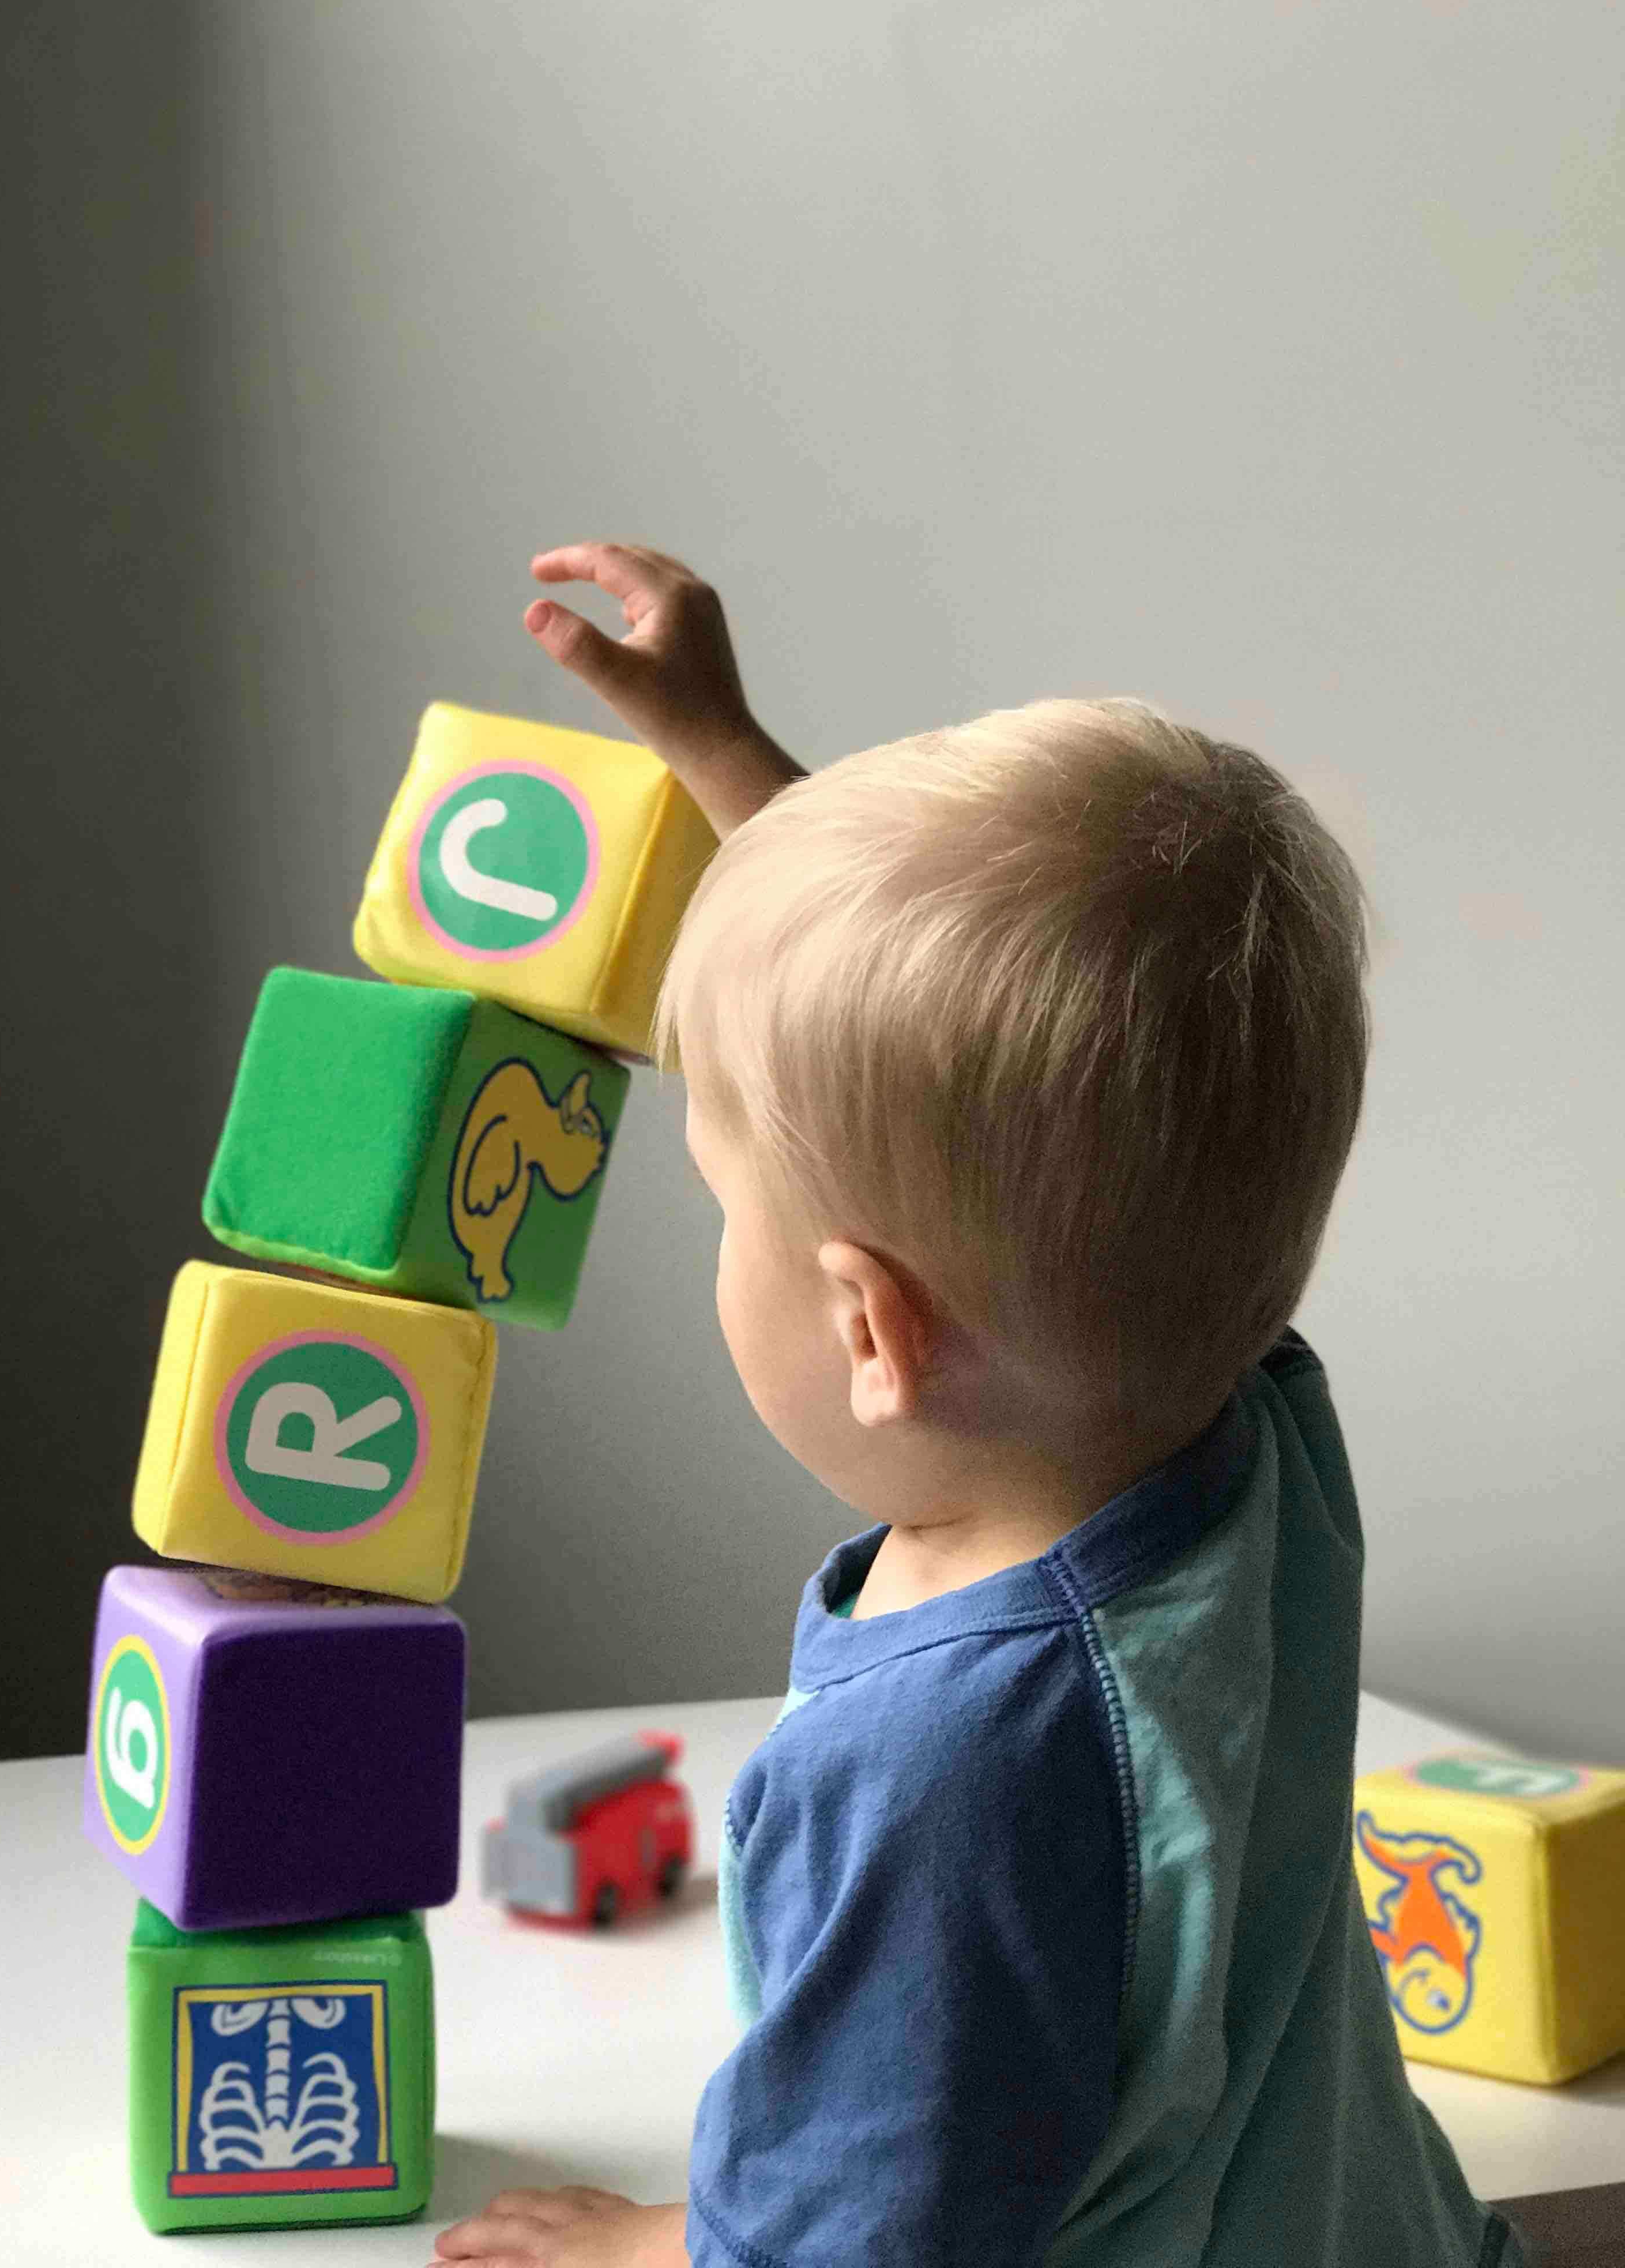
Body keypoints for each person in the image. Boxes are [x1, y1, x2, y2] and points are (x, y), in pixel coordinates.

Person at [427, 543, 1526, 2268]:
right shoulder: (1242, 1423)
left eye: (729, 1205)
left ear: (873, 1325)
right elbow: (1007, 1099)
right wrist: (732, 770)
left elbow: (862, 2240)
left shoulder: (949, 1772)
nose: (725, 1232)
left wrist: (653, 2247)